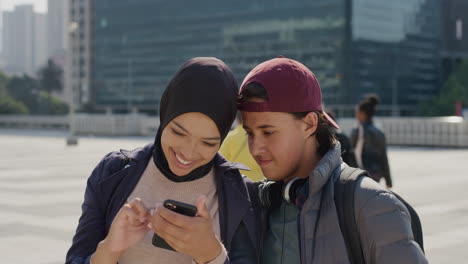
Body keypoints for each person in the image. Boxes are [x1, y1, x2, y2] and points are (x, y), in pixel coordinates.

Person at [66, 57, 257, 264]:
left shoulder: (239, 194)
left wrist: (211, 254)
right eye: (178, 132)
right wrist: (109, 249)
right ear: (165, 113)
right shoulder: (112, 173)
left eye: (208, 143)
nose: (189, 153)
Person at [237, 57, 427, 263]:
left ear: (309, 124)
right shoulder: (258, 207)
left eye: (268, 132)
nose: (256, 148)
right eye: (250, 134)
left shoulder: (371, 205)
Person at [350, 95, 393, 188]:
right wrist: (388, 180)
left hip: (361, 173)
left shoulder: (357, 130)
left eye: (357, 112)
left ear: (362, 113)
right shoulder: (379, 132)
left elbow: (350, 153)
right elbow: (384, 157)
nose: (356, 115)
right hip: (377, 174)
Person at [219, 113, 264, 181]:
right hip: (262, 186)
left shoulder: (229, 138)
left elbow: (220, 165)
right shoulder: (263, 137)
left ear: (236, 118)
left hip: (239, 186)